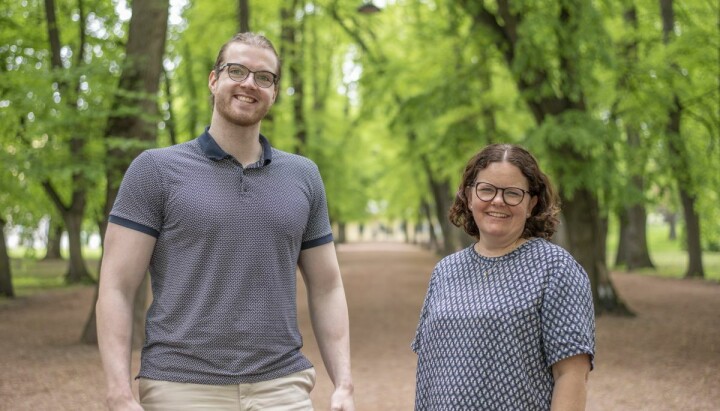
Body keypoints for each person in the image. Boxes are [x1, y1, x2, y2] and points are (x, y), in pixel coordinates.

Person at [96, 32, 354, 411]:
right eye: (237, 71)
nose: (250, 83)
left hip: (283, 387)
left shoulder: (304, 176)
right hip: (181, 387)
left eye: (264, 77)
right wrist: (119, 394)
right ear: (213, 80)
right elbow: (117, 286)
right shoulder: (155, 170)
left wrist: (344, 383)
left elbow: (328, 287)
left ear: (275, 92)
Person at [412, 144, 595, 410]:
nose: (498, 201)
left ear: (531, 203)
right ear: (469, 196)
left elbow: (572, 375)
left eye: (512, 193)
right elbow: (430, 371)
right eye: (487, 189)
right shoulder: (445, 271)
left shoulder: (555, 268)